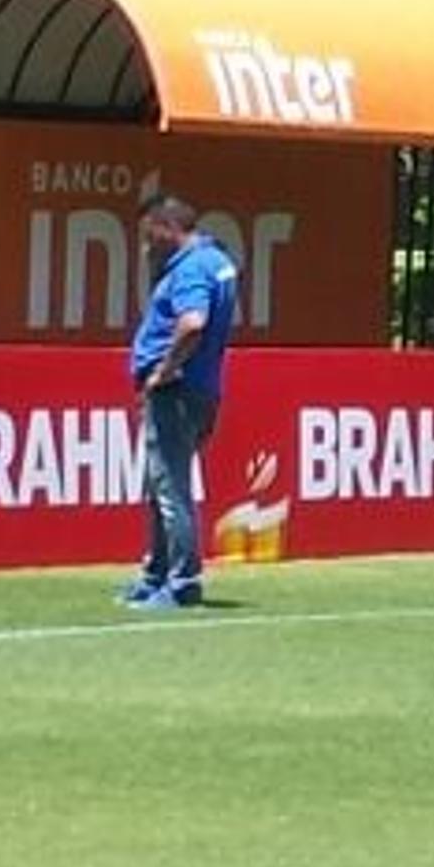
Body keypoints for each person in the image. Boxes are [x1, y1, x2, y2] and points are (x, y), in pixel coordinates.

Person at [124, 192, 241, 610]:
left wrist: (166, 368)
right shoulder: (217, 262)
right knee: (160, 486)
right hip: (203, 388)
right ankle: (155, 574)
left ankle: (183, 582)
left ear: (168, 227)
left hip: (177, 391)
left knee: (171, 488)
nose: (145, 245)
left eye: (149, 234)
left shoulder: (191, 269)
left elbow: (193, 322)